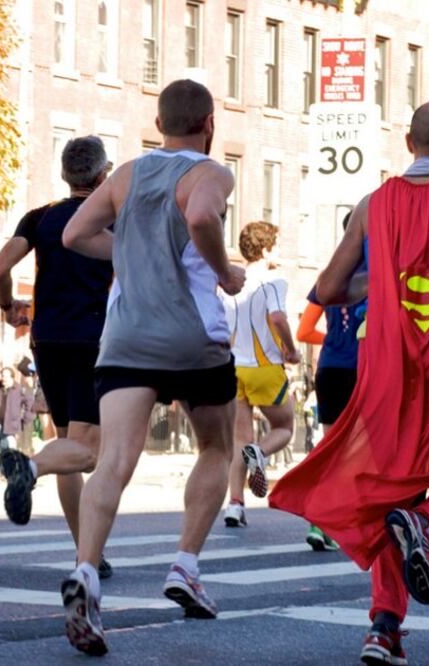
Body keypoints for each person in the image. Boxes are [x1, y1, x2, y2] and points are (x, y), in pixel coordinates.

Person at [269, 101, 429, 665]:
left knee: (388, 497)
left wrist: (373, 282)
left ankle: (383, 628)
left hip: (384, 375)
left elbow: (327, 288)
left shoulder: (374, 204)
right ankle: (423, 523)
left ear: (408, 143)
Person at [59, 79, 245, 655]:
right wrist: (225, 272)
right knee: (219, 446)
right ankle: (185, 563)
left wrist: (129, 252)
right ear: (209, 123)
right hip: (191, 335)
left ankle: (87, 571)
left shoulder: (127, 174)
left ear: (158, 122)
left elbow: (73, 233)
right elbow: (201, 218)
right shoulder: (212, 173)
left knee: (113, 458)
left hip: (127, 336)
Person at [0, 136, 116, 578]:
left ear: (66, 175)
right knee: (88, 452)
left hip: (47, 341)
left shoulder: (39, 217)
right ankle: (30, 465)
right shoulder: (112, 218)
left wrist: (8, 307)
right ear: (103, 175)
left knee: (68, 439)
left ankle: (88, 553)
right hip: (94, 340)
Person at [220, 221, 300, 528]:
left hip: (233, 366)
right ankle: (261, 452)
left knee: (240, 438)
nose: (279, 250)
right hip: (264, 367)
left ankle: (235, 504)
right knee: (284, 427)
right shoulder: (272, 281)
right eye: (276, 244)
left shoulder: (228, 280)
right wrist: (291, 350)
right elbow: (277, 317)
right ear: (266, 250)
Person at [294, 215, 365, 551]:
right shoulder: (381, 275)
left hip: (330, 368)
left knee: (330, 447)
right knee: (357, 452)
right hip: (363, 370)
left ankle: (317, 520)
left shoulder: (329, 278)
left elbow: (304, 332)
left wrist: (336, 337)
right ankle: (337, 521)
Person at [0, 367, 32, 478]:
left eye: (6, 376)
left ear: (11, 377)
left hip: (10, 424)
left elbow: (29, 402)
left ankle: (7, 472)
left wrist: (26, 418)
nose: (3, 378)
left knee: (9, 449)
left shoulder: (19, 389)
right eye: (2, 375)